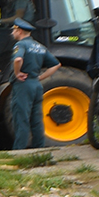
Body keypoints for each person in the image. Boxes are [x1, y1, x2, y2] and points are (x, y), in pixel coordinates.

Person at [8, 17, 60, 150]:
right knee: (36, 119)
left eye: (13, 30)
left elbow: (18, 59)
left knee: (21, 118)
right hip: (36, 84)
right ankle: (39, 148)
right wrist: (41, 77)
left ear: (19, 31)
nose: (12, 33)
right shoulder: (40, 46)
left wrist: (17, 73)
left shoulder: (21, 45)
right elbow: (56, 64)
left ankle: (19, 150)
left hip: (23, 85)